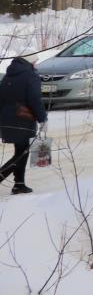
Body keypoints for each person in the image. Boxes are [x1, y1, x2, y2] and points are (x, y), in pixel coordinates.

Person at [0, 56, 48, 194]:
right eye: (35, 61)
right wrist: (43, 119)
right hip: (23, 118)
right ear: (31, 62)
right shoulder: (30, 76)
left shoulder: (8, 75)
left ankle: (19, 184)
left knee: (21, 151)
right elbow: (35, 100)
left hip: (7, 118)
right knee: (22, 153)